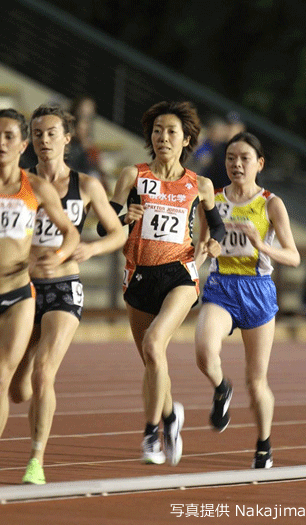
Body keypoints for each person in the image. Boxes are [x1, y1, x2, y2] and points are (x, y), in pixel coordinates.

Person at [97, 101, 225, 466]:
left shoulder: (199, 184)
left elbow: (215, 226)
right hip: (138, 274)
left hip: (179, 274)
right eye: (157, 131)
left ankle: (151, 434)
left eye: (171, 131)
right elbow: (104, 225)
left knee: (155, 344)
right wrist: (124, 215)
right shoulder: (132, 176)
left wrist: (212, 242)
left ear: (187, 140)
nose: (163, 137)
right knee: (151, 361)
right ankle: (171, 415)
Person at [9, 104, 126, 485]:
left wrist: (91, 249)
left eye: (52, 133)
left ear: (67, 138)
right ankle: (22, 368)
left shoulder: (87, 185)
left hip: (63, 286)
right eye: (38, 134)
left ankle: (35, 460)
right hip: (22, 288)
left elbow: (118, 232)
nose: (45, 140)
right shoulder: (20, 183)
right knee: (17, 390)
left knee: (45, 374)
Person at [194, 132, 300, 469]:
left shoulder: (271, 203)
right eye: (230, 158)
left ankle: (264, 444)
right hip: (221, 286)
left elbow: (294, 257)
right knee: (204, 351)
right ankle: (222, 387)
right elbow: (200, 246)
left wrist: (261, 244)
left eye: (244, 158)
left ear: (259, 163)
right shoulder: (211, 200)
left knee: (256, 382)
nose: (236, 164)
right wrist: (189, 272)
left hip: (257, 290)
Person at [0, 109, 80, 449]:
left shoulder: (36, 187)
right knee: (18, 389)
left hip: (21, 292)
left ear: (21, 146)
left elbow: (70, 232)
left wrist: (60, 256)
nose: (0, 143)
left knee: (4, 378)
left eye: (8, 136)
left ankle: (31, 455)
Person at [67, 95, 109, 192]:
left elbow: (101, 176)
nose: (85, 119)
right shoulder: (64, 139)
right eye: (82, 114)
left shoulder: (91, 148)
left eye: (89, 116)